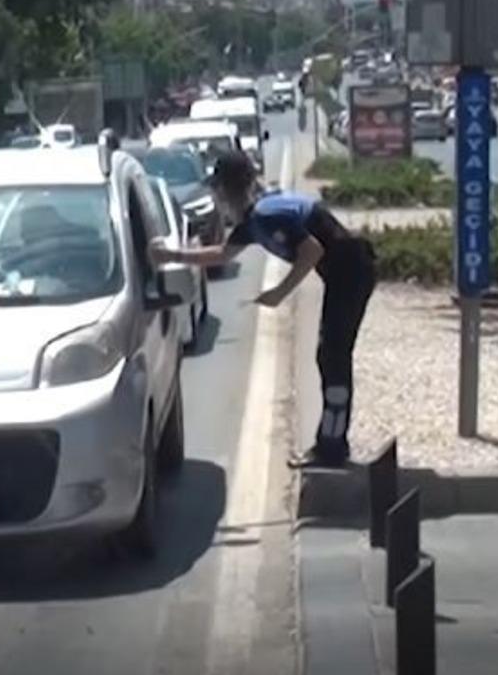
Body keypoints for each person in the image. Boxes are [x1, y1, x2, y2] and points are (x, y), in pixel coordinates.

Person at [151, 150, 376, 468]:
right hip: (343, 274)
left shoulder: (265, 215)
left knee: (333, 358)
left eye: (217, 190)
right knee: (330, 357)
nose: (216, 198)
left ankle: (332, 449)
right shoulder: (254, 219)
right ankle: (332, 444)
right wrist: (173, 256)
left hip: (352, 271)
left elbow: (312, 250)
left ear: (227, 190)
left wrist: (279, 293)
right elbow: (221, 254)